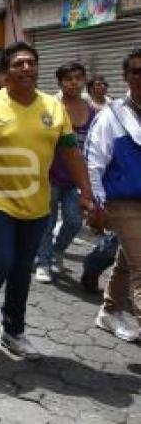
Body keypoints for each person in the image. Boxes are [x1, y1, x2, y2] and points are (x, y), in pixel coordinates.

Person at [0, 43, 95, 360]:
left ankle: (13, 330)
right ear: (6, 72)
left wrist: (87, 193)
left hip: (37, 204)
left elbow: (71, 153)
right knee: (1, 261)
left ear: (37, 69)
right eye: (18, 63)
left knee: (22, 269)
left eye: (31, 63)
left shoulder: (53, 107)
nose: (25, 68)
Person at [85, 48, 141, 342]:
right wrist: (96, 204)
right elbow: (93, 162)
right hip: (122, 201)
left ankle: (109, 311)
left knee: (128, 258)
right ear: (126, 77)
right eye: (136, 71)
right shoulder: (113, 115)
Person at [34, 62, 97, 283]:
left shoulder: (92, 110)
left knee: (73, 221)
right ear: (60, 82)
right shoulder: (50, 106)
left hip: (76, 179)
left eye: (78, 78)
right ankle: (43, 261)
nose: (74, 82)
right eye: (69, 79)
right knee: (47, 221)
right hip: (49, 175)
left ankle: (57, 251)